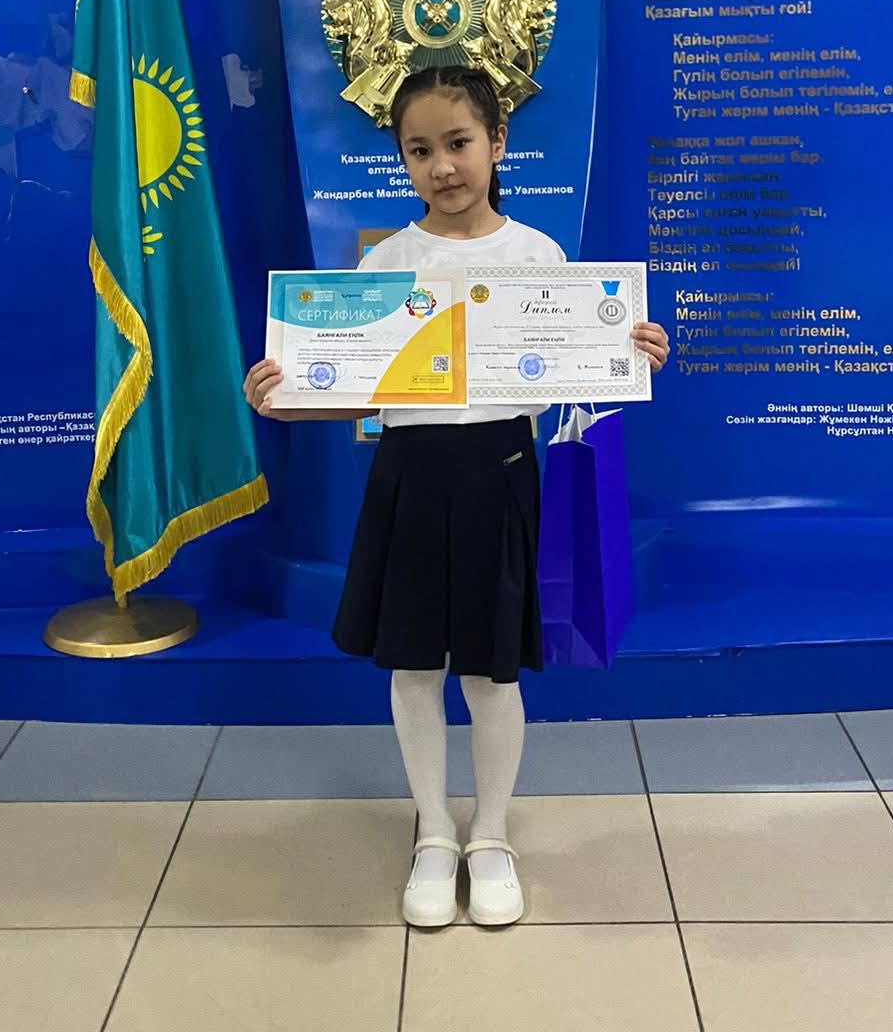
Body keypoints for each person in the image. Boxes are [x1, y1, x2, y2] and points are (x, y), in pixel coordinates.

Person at [243, 64, 669, 929]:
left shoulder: (538, 257)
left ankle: (492, 835)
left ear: (497, 142)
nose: (442, 166)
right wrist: (286, 397)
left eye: (459, 143)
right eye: (419, 150)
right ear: (402, 159)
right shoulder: (387, 262)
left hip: (500, 473)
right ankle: (434, 832)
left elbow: (570, 375)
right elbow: (357, 390)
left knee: (490, 667)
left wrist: (629, 353)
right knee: (413, 663)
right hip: (408, 475)